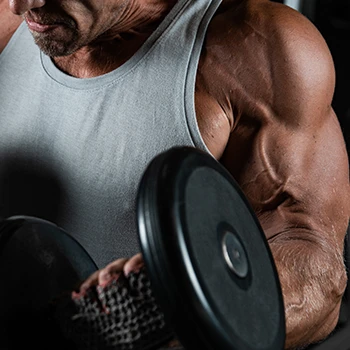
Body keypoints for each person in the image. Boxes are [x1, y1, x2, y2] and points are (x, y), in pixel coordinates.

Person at [1, 0, 349, 349]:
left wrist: (179, 312)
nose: (21, 4)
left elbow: (315, 267)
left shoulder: (252, 45)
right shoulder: (8, 20)